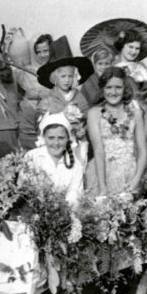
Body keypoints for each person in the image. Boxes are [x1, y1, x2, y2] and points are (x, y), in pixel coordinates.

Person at [85, 67, 147, 196]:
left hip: (130, 172)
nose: (113, 92)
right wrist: (102, 186)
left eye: (118, 87)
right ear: (102, 89)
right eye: (108, 87)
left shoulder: (136, 113)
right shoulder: (94, 113)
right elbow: (98, 151)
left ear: (125, 88)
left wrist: (136, 179)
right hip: (103, 172)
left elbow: (142, 150)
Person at [36, 36, 93, 166]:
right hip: (54, 147)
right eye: (63, 76)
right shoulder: (47, 99)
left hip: (76, 145)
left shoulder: (79, 96)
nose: (67, 80)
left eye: (70, 76)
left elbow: (87, 119)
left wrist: (83, 129)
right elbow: (39, 126)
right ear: (55, 77)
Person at [24, 112, 83, 207]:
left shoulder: (75, 165)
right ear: (43, 138)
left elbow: (74, 198)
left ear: (68, 138)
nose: (56, 143)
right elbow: (24, 192)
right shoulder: (32, 157)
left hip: (65, 213)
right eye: (51, 138)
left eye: (61, 138)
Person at [16, 34, 54, 150]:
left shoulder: (58, 70)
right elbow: (19, 96)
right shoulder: (27, 72)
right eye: (39, 52)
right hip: (27, 128)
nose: (42, 55)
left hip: (49, 125)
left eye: (45, 51)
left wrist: (40, 94)